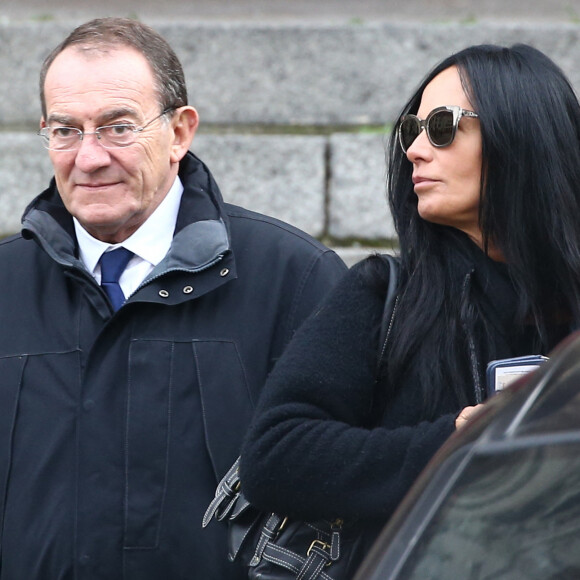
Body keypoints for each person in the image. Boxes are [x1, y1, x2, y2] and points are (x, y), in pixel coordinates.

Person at [0, 17, 346, 579]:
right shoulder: (5, 285)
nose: (88, 157)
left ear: (180, 132)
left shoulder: (295, 281)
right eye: (66, 130)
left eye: (117, 128)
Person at [240, 43, 580, 568]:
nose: (416, 149)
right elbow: (275, 455)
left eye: (442, 126)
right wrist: (454, 442)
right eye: (411, 130)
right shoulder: (385, 296)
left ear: (521, 134)